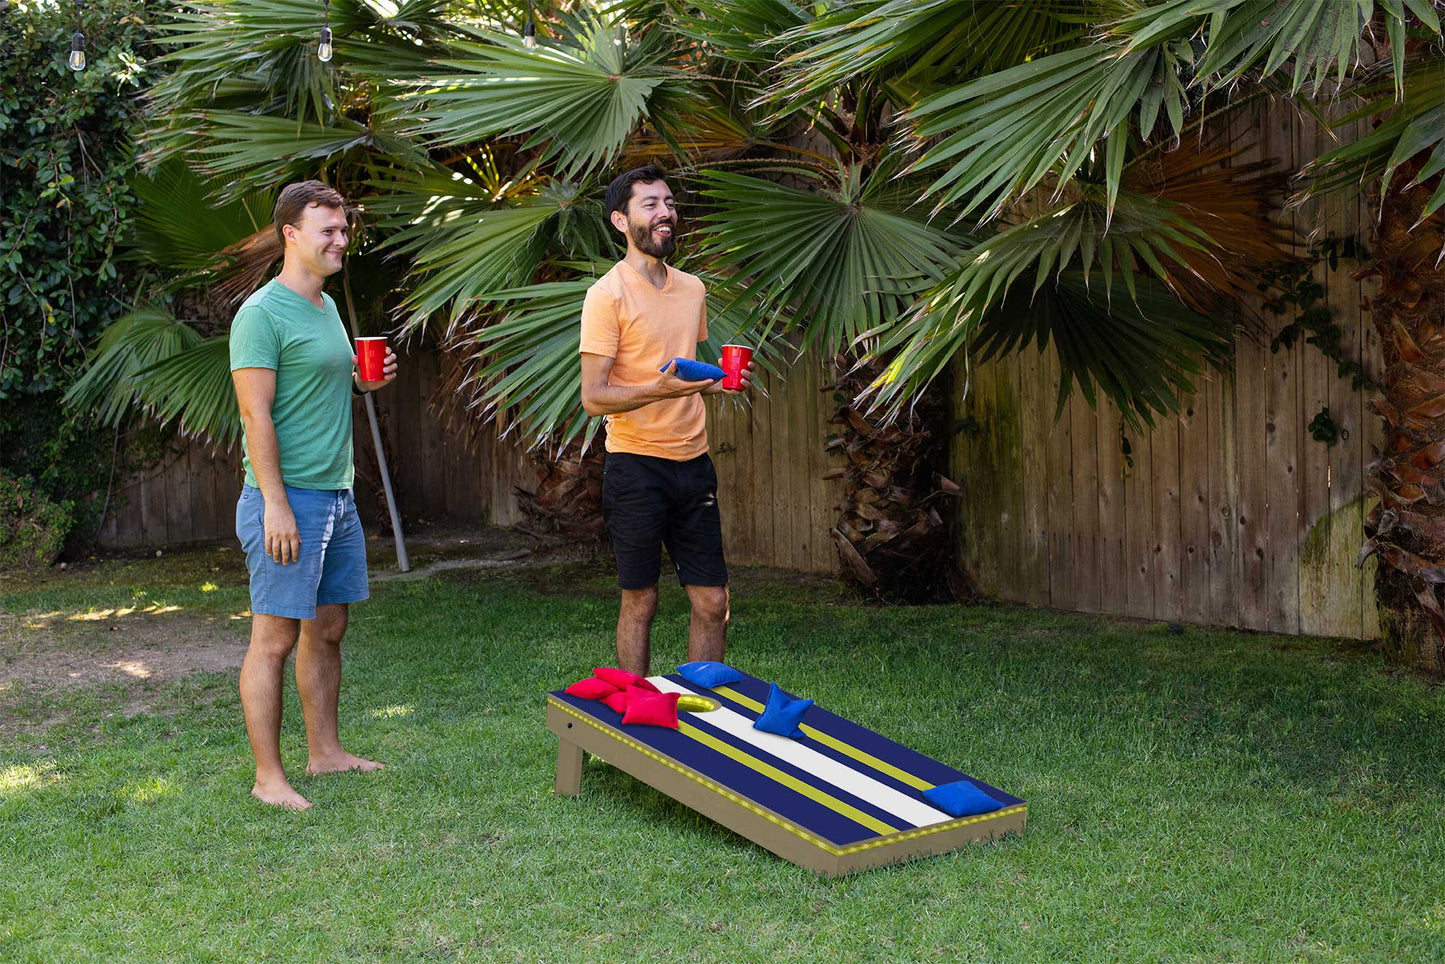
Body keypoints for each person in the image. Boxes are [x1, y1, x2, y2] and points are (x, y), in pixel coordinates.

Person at [229, 181, 397, 810]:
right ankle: (268, 777)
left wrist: (361, 385)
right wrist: (274, 502)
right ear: (290, 236)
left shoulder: (326, 308)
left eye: (344, 229)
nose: (341, 240)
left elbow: (318, 386)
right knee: (273, 637)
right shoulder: (261, 315)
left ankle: (324, 754)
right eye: (327, 230)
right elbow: (256, 417)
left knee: (327, 628)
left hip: (336, 494)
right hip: (287, 498)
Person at [579, 165, 755, 676]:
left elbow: (687, 364)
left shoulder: (692, 289)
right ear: (620, 220)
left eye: (670, 203)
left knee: (712, 603)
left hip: (693, 463)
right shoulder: (606, 296)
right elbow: (594, 398)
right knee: (641, 601)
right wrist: (657, 389)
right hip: (635, 466)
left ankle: (705, 717)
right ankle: (635, 726)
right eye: (650, 204)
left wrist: (723, 379)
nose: (666, 213)